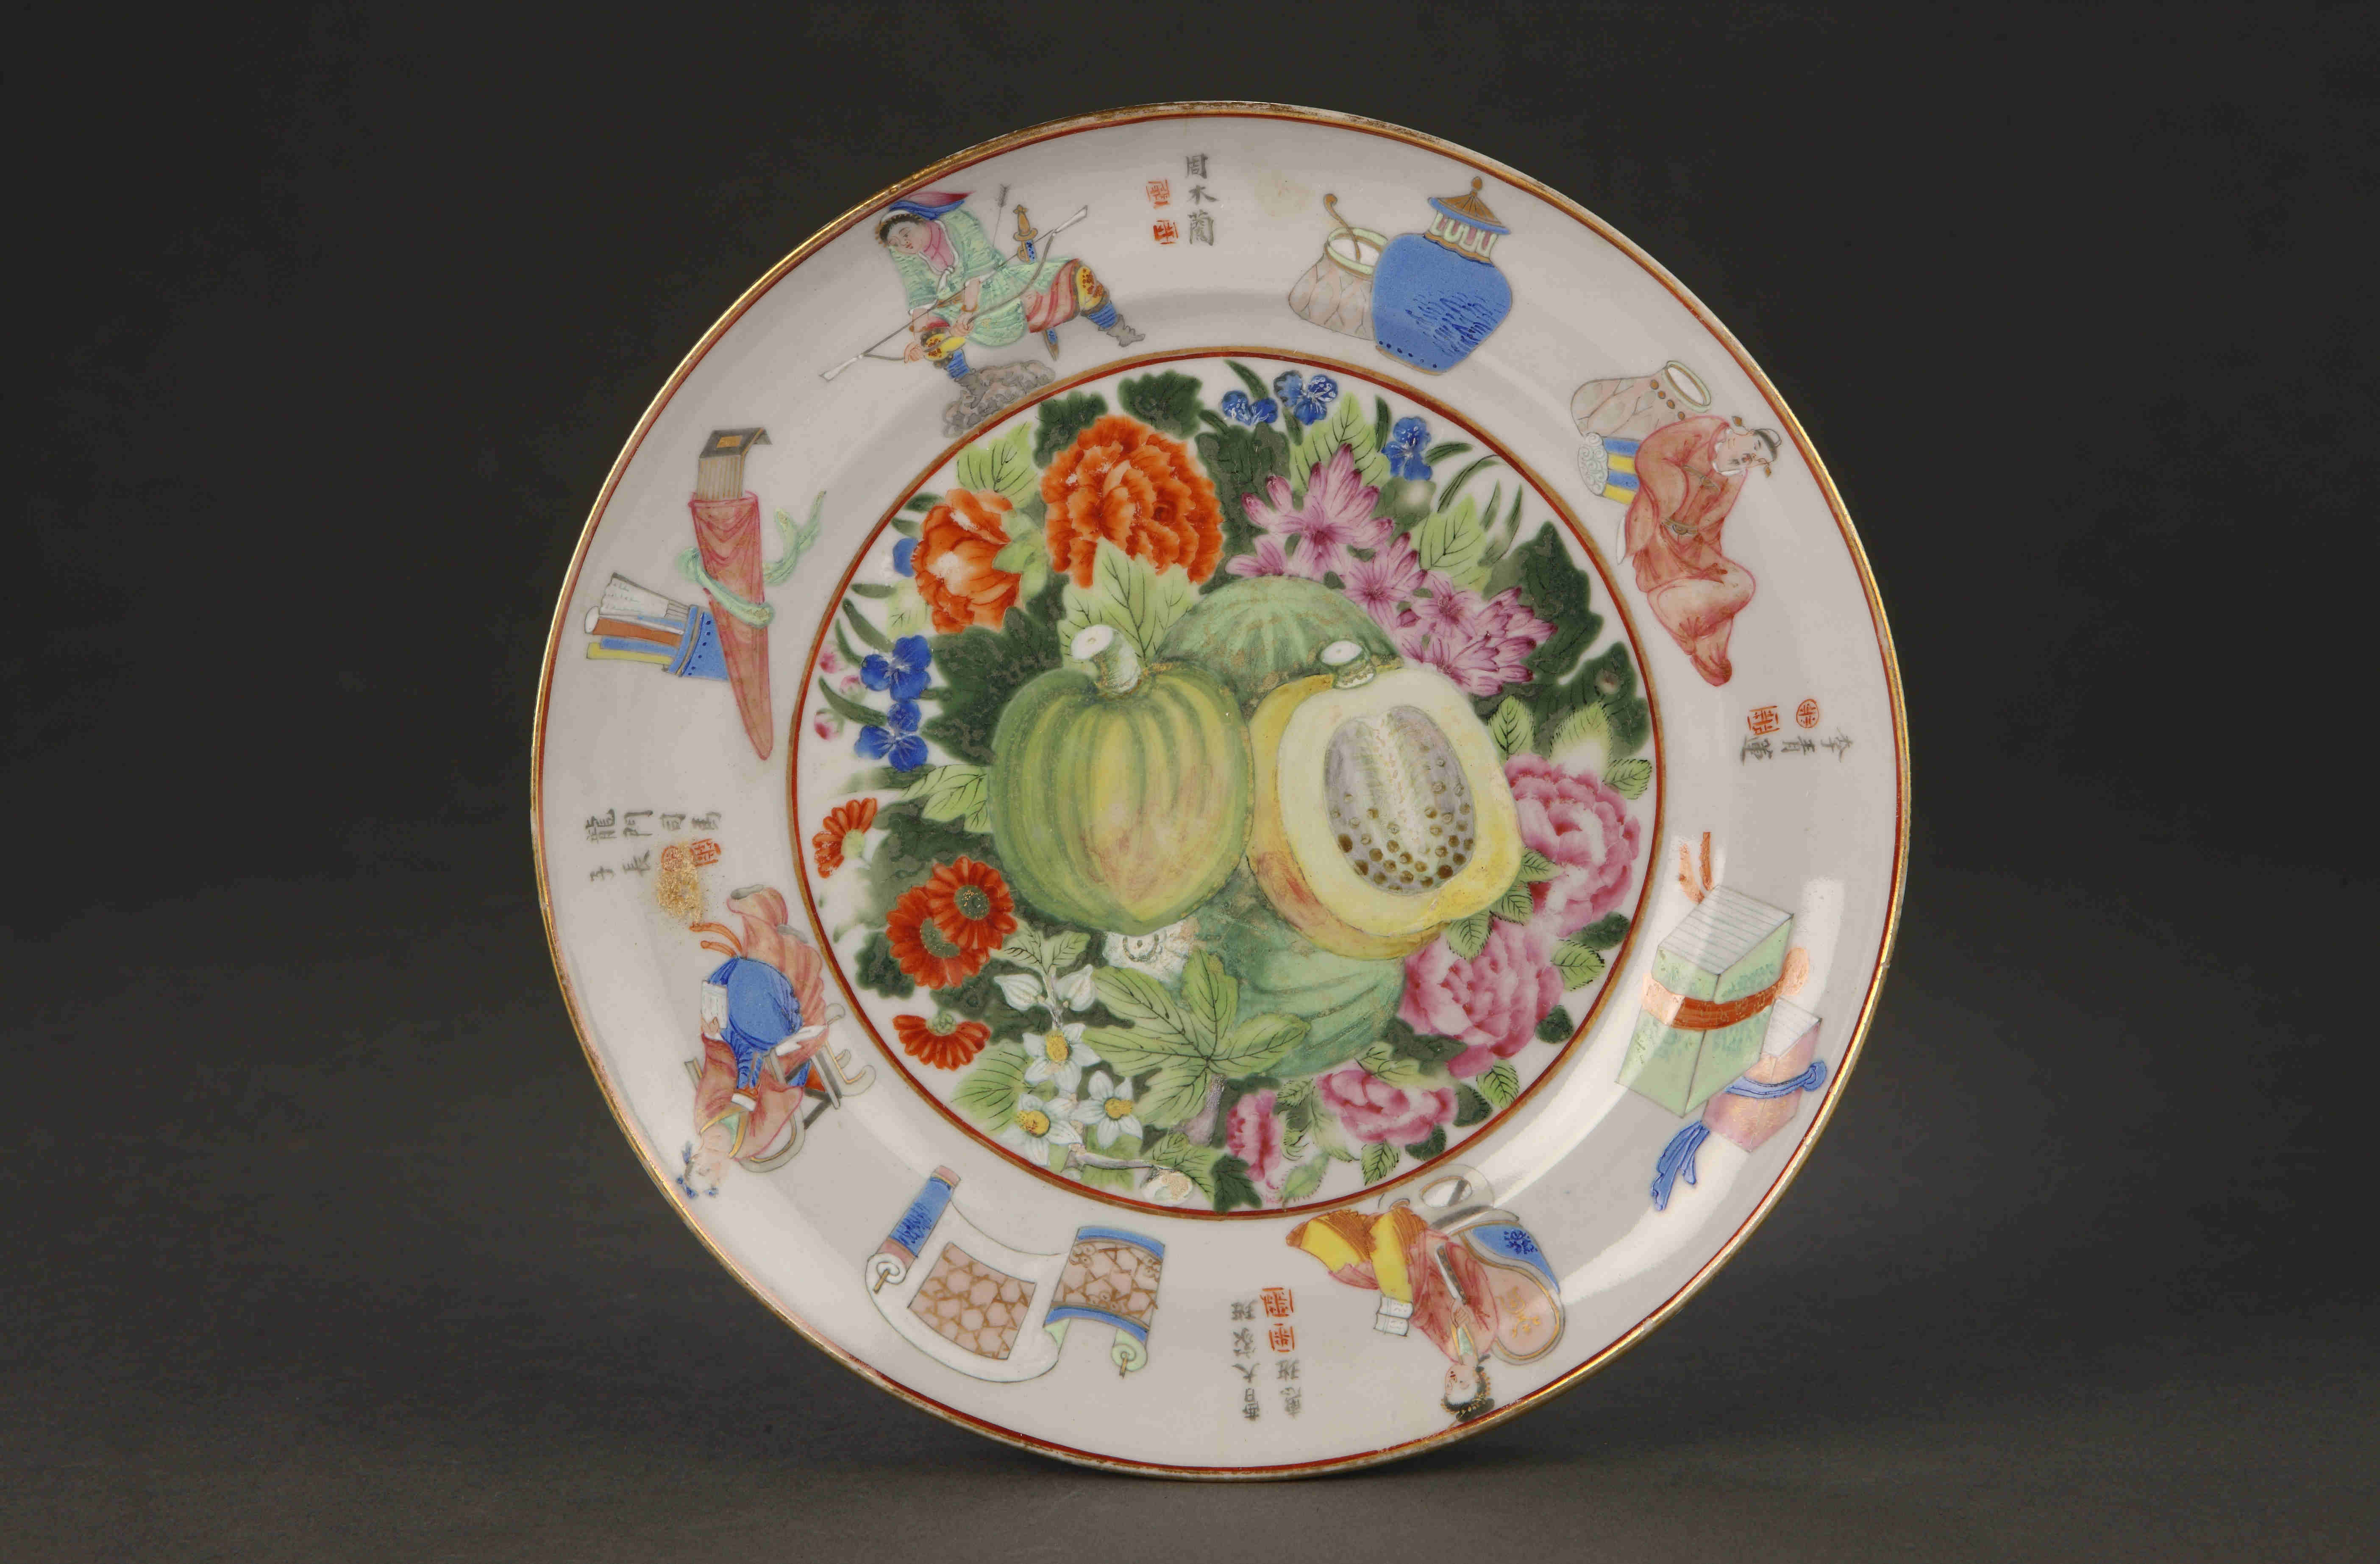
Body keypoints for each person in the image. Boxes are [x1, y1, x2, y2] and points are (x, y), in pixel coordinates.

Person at [1288, 1199, 1560, 1425]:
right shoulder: (1486, 1335)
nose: (1453, 1382)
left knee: (1364, 1271)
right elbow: (1476, 1282)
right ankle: (1382, 1236)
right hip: (1437, 1264)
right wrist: (1466, 1308)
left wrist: (1410, 1313)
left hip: (1419, 1288)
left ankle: (1318, 1236)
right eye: (1463, 1385)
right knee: (1389, 1266)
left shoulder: (1450, 1349)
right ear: (1478, 1379)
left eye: (1450, 1388)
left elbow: (1426, 1320)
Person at [876, 192, 1141, 384]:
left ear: (921, 220)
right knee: (931, 340)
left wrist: (968, 312)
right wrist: (917, 342)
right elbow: (919, 296)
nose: (903, 244)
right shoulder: (904, 255)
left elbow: (978, 269)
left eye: (906, 233)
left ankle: (1119, 331)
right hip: (956, 308)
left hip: (999, 288)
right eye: (896, 243)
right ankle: (970, 384)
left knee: (1078, 278)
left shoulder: (957, 222)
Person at [1620, 415, 1782, 686]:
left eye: (1757, 460)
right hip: (1656, 533)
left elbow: (1713, 526)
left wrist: (1712, 568)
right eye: (1754, 448)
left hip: (1692, 545)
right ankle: (1674, 612)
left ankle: (1704, 649)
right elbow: (1651, 454)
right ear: (1744, 432)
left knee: (1742, 584)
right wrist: (1675, 490)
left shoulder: (1734, 478)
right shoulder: (1706, 431)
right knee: (1717, 598)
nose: (1750, 458)